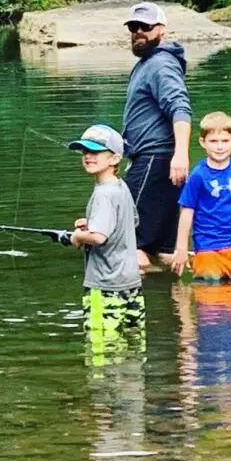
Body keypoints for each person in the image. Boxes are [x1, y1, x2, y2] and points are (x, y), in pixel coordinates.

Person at [59, 124, 145, 357]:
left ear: (115, 157)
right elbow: (130, 221)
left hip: (105, 286)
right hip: (131, 284)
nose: (88, 156)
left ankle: (103, 391)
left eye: (95, 151)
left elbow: (98, 237)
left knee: (101, 350)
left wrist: (78, 236)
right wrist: (92, 222)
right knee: (134, 348)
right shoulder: (121, 187)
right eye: (85, 151)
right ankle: (131, 391)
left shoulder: (103, 193)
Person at [121, 2, 192, 272]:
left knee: (127, 240)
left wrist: (181, 155)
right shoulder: (149, 63)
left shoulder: (160, 64)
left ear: (161, 29)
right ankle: (177, 304)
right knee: (163, 250)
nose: (139, 32)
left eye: (146, 27)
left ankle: (138, 307)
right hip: (160, 162)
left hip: (154, 160)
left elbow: (180, 108)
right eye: (134, 27)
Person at [170, 111, 231, 280]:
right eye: (213, 141)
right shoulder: (198, 176)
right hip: (207, 247)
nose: (220, 147)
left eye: (225, 141)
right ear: (202, 142)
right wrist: (182, 249)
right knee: (209, 292)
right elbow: (186, 213)